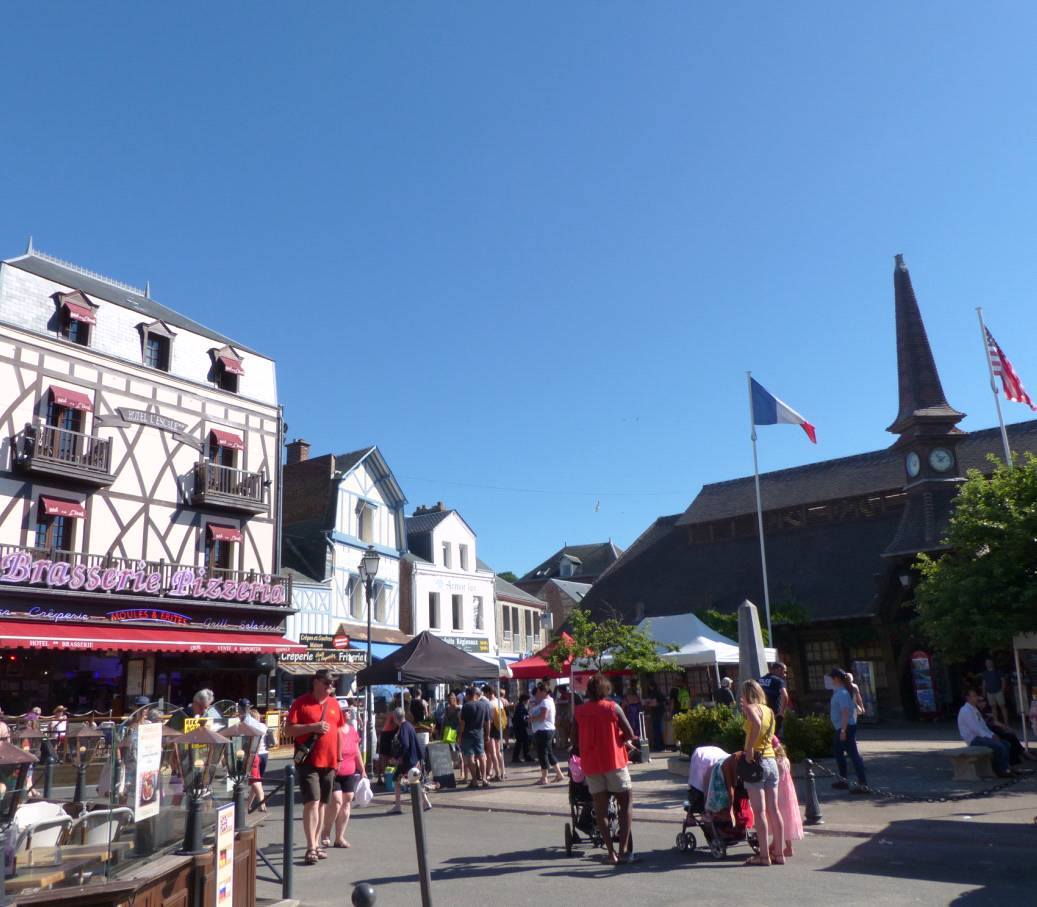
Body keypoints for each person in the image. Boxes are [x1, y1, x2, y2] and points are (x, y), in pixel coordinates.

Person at [572, 674, 637, 865]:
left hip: (591, 764)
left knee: (600, 809)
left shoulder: (579, 711)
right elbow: (630, 733)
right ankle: (623, 850)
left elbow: (574, 740)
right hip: (614, 761)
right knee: (625, 803)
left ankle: (610, 853)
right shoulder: (613, 708)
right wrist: (619, 738)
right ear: (606, 690)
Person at [285, 669, 346, 865]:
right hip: (308, 761)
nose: (331, 686)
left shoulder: (335, 704)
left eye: (333, 683)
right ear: (316, 682)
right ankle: (311, 846)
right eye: (327, 683)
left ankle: (317, 843)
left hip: (329, 762)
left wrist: (338, 758)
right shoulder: (301, 703)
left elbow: (338, 732)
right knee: (312, 801)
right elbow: (288, 730)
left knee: (322, 804)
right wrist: (313, 727)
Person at [740, 679, 784, 866]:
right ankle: (779, 854)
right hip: (771, 760)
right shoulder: (769, 711)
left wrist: (749, 748)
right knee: (774, 809)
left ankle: (764, 856)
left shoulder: (751, 709)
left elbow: (756, 725)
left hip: (756, 762)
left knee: (759, 812)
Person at [322, 703, 366, 846]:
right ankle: (326, 831)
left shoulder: (352, 730)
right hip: (334, 770)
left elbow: (357, 751)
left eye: (348, 710)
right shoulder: (333, 730)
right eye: (344, 711)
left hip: (349, 771)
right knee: (336, 801)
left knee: (347, 801)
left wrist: (362, 769)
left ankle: (339, 837)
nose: (347, 713)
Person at [829, 668, 868, 791]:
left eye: (832, 678)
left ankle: (863, 783)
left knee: (853, 755)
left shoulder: (842, 693)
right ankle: (843, 780)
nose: (831, 681)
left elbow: (845, 713)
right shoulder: (840, 692)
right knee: (839, 754)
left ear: (836, 679)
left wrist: (843, 731)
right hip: (842, 727)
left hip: (845, 727)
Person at [958, 688, 1012, 777]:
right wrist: (990, 737)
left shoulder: (974, 709)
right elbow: (975, 729)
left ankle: (1006, 768)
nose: (977, 698)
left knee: (1006, 744)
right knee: (999, 746)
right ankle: (1000, 770)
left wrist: (992, 735)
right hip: (974, 739)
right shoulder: (965, 710)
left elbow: (983, 726)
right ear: (968, 698)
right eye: (974, 696)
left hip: (981, 736)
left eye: (976, 695)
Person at [390, 706, 431, 813]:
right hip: (414, 759)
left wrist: (398, 758)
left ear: (395, 718)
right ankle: (425, 802)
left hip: (407, 761)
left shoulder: (403, 728)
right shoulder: (409, 725)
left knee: (397, 781)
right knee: (415, 780)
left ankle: (398, 806)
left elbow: (405, 744)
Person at [773, 738, 803, 859]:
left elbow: (777, 778)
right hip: (788, 793)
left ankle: (787, 847)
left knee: (779, 819)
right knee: (787, 819)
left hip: (779, 794)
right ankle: (776, 843)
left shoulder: (776, 762)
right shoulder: (785, 760)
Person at [530, 682, 565, 784]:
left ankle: (544, 778)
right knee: (549, 753)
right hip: (547, 729)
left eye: (538, 692)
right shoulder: (549, 701)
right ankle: (559, 774)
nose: (537, 694)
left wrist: (532, 719)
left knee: (543, 754)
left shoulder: (545, 702)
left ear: (543, 692)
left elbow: (543, 717)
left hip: (544, 730)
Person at [238, 701, 268, 813]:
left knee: (255, 781)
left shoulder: (247, 722)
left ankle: (262, 804)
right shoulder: (252, 722)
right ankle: (251, 805)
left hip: (251, 755)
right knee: (257, 781)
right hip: (256, 754)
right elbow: (264, 730)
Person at [458, 686, 491, 789]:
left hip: (467, 734)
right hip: (479, 734)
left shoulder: (466, 706)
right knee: (481, 756)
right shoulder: (484, 705)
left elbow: (462, 724)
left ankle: (474, 780)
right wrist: (487, 734)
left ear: (468, 695)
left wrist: (459, 736)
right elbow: (487, 722)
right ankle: (484, 779)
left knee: (470, 757)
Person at [758, 663, 789, 735]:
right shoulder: (778, 681)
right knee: (776, 737)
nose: (785, 675)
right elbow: (785, 696)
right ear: (778, 669)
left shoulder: (759, 680)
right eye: (784, 672)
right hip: (774, 713)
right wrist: (781, 713)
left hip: (761, 713)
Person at [483, 686, 507, 782]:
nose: (484, 695)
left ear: (489, 692)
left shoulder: (489, 704)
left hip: (492, 728)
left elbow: (489, 720)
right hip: (499, 728)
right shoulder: (499, 701)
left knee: (493, 753)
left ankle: (497, 774)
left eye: (485, 693)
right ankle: (503, 772)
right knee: (498, 752)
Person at [981, 659, 1008, 725]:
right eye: (987, 663)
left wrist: (1002, 689)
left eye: (989, 662)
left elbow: (1003, 680)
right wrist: (983, 692)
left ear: (992, 663)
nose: (988, 664)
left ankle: (1006, 722)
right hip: (989, 692)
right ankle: (996, 723)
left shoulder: (998, 671)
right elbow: (984, 683)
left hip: (998, 691)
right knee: (993, 707)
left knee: (1002, 706)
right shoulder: (985, 673)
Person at [643, 682, 665, 750]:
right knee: (658, 728)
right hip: (660, 711)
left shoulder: (654, 693)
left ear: (651, 686)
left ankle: (658, 746)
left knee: (656, 729)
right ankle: (660, 745)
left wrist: (647, 703)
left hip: (656, 712)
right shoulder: (658, 692)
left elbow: (654, 703)